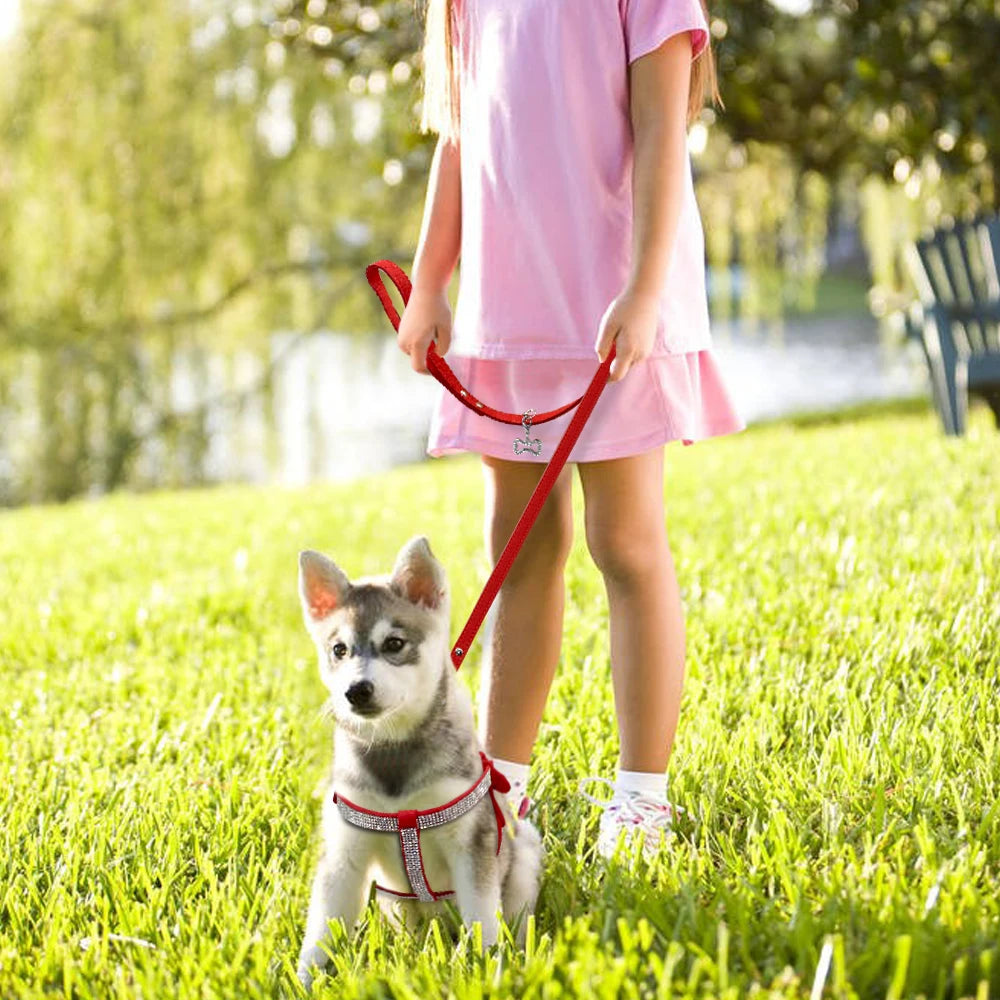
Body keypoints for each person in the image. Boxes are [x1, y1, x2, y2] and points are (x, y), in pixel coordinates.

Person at [396, 0, 745, 859]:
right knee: (518, 548)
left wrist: (644, 290)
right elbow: (461, 133)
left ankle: (641, 800)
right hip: (509, 312)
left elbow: (665, 133)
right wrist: (430, 281)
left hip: (615, 306)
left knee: (624, 543)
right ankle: (500, 787)